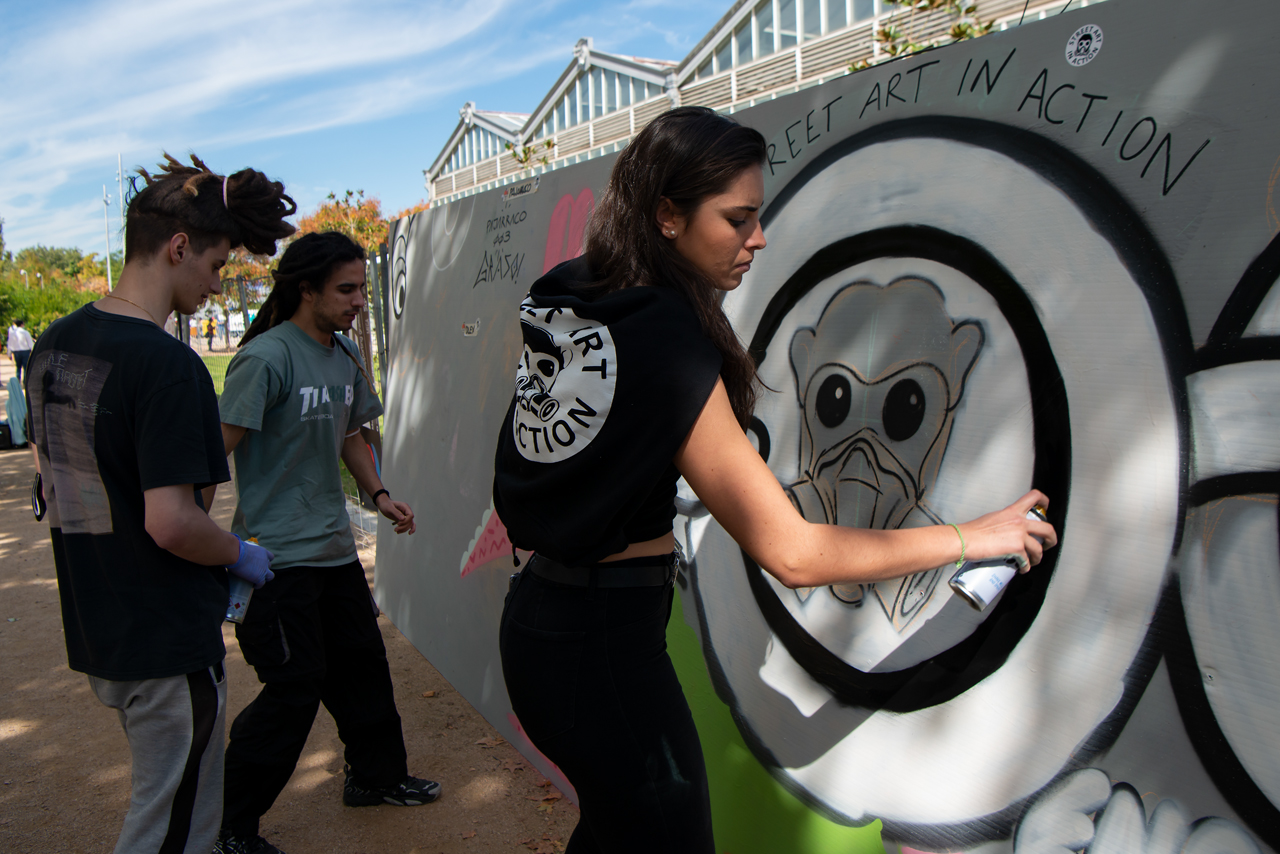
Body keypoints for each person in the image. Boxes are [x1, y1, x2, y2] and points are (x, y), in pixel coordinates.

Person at [492, 107, 1059, 854]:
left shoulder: (579, 295)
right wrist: (968, 537)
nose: (757, 238)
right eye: (737, 219)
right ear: (667, 215)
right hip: (599, 650)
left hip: (542, 622)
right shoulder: (666, 343)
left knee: (614, 833)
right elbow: (792, 553)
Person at [25, 153, 293, 854]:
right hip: (165, 636)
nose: (217, 284)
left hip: (98, 625)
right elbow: (172, 522)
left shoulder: (51, 346)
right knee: (173, 827)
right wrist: (240, 553)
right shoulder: (168, 365)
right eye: (216, 265)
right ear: (178, 247)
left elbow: (53, 483)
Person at [214, 231, 438, 854]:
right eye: (346, 289)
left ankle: (375, 778)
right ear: (305, 289)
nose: (359, 301)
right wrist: (192, 540)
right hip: (273, 559)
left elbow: (349, 434)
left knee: (363, 667)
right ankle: (229, 826)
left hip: (334, 551)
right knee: (295, 686)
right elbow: (212, 453)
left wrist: (378, 494)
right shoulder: (265, 359)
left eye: (361, 289)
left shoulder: (342, 353)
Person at [7, 317, 33, 382]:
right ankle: (25, 381)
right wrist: (32, 350)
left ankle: (18, 381)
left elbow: (9, 344)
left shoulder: (12, 333)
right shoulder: (25, 332)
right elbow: (30, 343)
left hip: (16, 352)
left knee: (18, 367)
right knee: (25, 367)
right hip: (25, 351)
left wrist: (9, 354)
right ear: (21, 324)